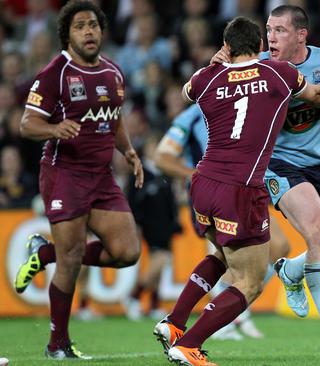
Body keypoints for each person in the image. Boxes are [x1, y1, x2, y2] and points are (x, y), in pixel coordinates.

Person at [210, 5, 320, 353]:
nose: (271, 37)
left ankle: (291, 271)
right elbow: (214, 95)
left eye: (280, 30)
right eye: (269, 29)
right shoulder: (256, 66)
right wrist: (218, 68)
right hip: (280, 163)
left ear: (300, 35)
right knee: (319, 231)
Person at [155, 16, 320, 366]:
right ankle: (189, 345)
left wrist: (214, 63)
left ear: (226, 46)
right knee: (250, 281)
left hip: (203, 183)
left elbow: (185, 91)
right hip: (241, 188)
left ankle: (175, 324)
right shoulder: (278, 73)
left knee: (223, 256)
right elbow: (317, 96)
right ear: (260, 46)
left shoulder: (206, 79)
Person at [13, 0, 144, 359]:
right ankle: (57, 344)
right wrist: (55, 127)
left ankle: (44, 252)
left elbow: (114, 118)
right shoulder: (55, 72)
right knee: (70, 261)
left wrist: (129, 152)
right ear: (67, 35)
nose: (89, 32)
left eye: (94, 25)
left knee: (127, 252)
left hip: (101, 178)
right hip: (64, 174)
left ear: (102, 31)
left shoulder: (113, 73)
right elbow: (27, 124)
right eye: (80, 26)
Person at [154, 102, 290, 340]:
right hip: (213, 195)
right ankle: (224, 321)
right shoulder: (193, 116)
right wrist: (195, 176)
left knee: (277, 247)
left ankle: (225, 314)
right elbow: (162, 157)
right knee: (227, 258)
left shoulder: (246, 99)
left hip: (245, 190)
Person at [123, 133, 180, 321]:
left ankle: (154, 304)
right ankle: (133, 297)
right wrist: (135, 224)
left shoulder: (163, 172)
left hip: (166, 226)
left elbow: (172, 201)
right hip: (149, 225)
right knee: (160, 261)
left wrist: (175, 223)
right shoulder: (140, 173)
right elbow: (131, 200)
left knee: (161, 265)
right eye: (153, 147)